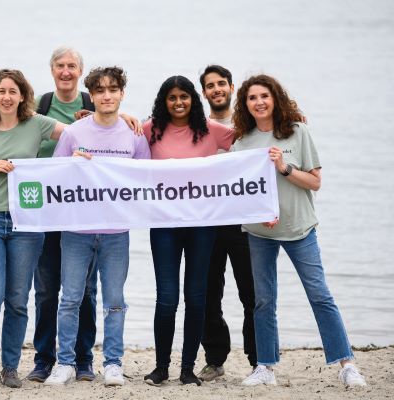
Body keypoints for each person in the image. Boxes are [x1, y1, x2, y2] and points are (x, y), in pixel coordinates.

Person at [232, 74, 367, 388]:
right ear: (245, 104)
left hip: (299, 229)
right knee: (263, 301)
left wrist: (285, 168)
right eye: (252, 98)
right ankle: (265, 367)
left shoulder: (296, 132)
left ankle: (347, 364)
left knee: (319, 295)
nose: (259, 102)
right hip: (260, 232)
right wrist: (260, 212)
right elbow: (240, 191)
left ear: (275, 98)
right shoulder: (242, 142)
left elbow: (315, 182)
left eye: (264, 96)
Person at [43, 66, 151, 387]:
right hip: (77, 230)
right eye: (100, 90)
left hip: (116, 232)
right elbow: (53, 178)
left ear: (122, 94)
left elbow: (146, 179)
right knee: (70, 299)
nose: (107, 96)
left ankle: (113, 363)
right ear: (92, 95)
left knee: (114, 301)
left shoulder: (134, 133)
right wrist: (72, 164)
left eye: (112, 89)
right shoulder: (74, 132)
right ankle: (65, 363)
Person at [0, 69, 67, 389]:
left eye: (13, 91)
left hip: (27, 222)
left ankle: (10, 368)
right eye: (1, 91)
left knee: (17, 300)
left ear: (23, 96)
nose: (7, 97)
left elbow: (77, 134)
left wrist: (124, 121)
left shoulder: (37, 124)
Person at [141, 76, 234, 386]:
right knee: (167, 298)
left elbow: (251, 141)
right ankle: (161, 367)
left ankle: (187, 369)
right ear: (163, 101)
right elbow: (119, 142)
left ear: (193, 99)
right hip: (164, 226)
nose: (178, 102)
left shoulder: (210, 129)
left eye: (184, 96)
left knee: (196, 298)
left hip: (202, 227)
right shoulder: (150, 130)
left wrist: (288, 121)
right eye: (172, 97)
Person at [27, 46, 98, 383]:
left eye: (72, 65)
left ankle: (83, 359)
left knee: (85, 290)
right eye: (60, 65)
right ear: (52, 70)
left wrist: (128, 118)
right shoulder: (37, 107)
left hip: (84, 212)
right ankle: (44, 359)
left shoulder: (93, 104)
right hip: (45, 210)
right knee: (45, 290)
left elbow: (116, 133)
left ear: (81, 71)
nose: (66, 71)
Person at [197, 65, 257, 381]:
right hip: (207, 221)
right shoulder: (198, 128)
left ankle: (258, 360)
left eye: (221, 83)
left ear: (232, 88)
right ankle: (215, 358)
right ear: (204, 92)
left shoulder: (249, 126)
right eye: (210, 85)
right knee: (208, 294)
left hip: (244, 222)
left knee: (252, 293)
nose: (217, 89)